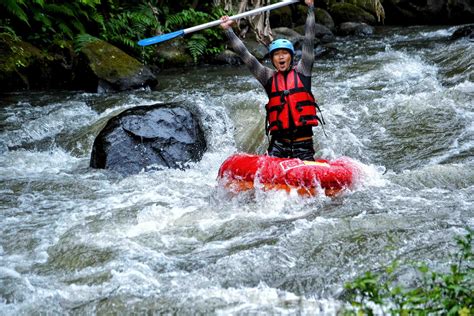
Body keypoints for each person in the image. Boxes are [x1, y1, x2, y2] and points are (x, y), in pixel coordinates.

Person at [220, 0, 322, 161]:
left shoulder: (303, 71)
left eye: (284, 53)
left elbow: (309, 39)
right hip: (278, 145)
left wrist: (310, 8)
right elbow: (246, 55)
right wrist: (229, 31)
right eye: (276, 54)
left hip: (303, 144)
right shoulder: (266, 76)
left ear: (291, 57)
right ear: (272, 59)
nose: (281, 57)